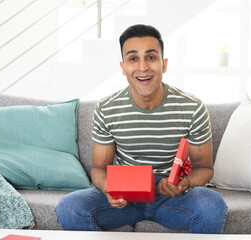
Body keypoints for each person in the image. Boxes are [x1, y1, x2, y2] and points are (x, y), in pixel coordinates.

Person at [55, 24, 227, 233]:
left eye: (151, 57)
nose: (143, 67)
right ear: (123, 67)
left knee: (212, 204)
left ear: (163, 64)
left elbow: (205, 168)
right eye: (133, 59)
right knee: (70, 207)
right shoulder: (107, 108)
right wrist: (109, 187)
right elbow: (99, 168)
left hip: (171, 199)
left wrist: (183, 183)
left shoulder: (192, 108)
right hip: (125, 198)